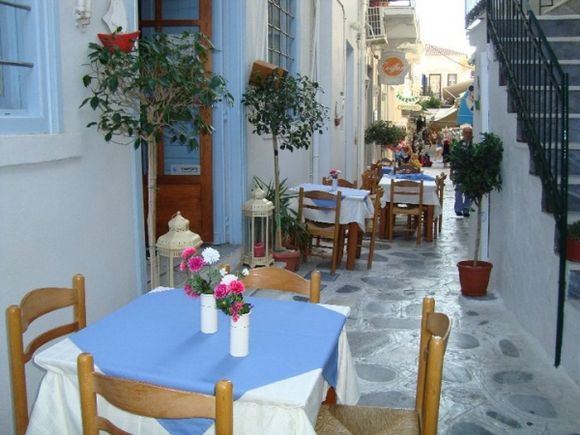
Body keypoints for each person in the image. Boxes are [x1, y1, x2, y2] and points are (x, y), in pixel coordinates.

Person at [453, 125, 473, 217]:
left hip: (470, 171)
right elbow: (454, 158)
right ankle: (458, 209)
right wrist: (451, 172)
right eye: (466, 132)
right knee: (459, 191)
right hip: (459, 171)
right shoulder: (458, 145)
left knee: (469, 191)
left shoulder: (473, 145)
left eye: (470, 133)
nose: (468, 134)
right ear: (463, 133)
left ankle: (466, 209)